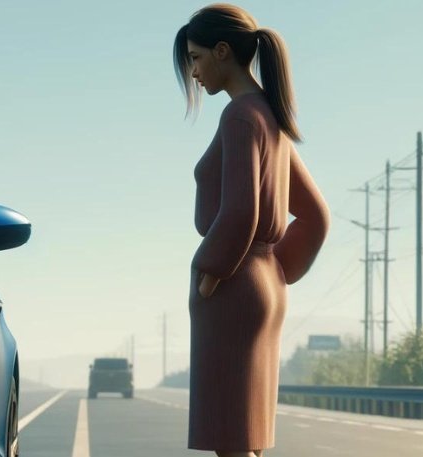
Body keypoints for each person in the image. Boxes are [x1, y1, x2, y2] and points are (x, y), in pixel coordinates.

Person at [173, 4, 330, 457]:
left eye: (196, 58)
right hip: (262, 283)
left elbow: (241, 211)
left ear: (222, 51)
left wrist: (212, 272)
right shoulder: (269, 116)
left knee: (231, 438)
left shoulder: (240, 116)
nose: (195, 72)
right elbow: (316, 215)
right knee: (247, 437)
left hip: (234, 283)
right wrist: (277, 270)